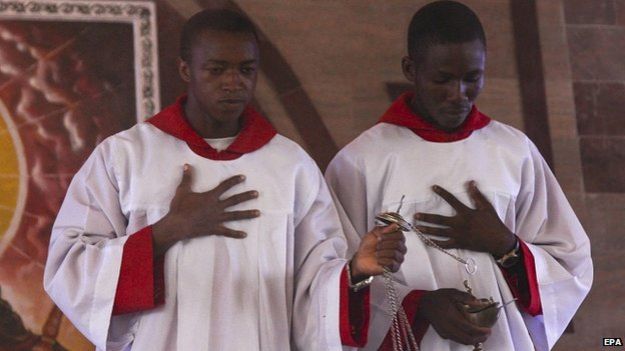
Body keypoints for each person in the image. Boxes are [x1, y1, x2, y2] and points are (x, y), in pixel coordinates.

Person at [43, 9, 406, 351]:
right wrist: (167, 230)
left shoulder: (290, 166)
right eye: (216, 70)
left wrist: (356, 270)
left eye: (246, 70)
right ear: (186, 70)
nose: (233, 83)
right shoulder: (125, 157)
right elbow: (69, 266)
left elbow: (314, 287)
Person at [325, 1, 593, 350]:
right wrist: (420, 305)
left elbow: (570, 263)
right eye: (443, 79)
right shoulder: (360, 162)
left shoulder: (514, 151)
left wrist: (506, 246)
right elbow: (333, 279)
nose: (458, 95)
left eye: (471, 78)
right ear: (411, 69)